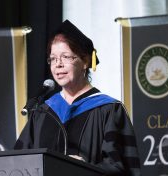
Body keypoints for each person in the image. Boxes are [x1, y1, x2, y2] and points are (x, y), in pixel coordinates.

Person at [14, 20, 141, 176]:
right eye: (53, 59)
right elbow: (18, 163)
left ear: (86, 61)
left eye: (66, 57)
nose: (57, 65)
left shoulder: (109, 110)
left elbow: (121, 169)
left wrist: (84, 168)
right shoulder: (43, 111)